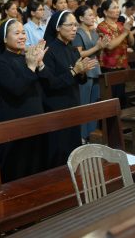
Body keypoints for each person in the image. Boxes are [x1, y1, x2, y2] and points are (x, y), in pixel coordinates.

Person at [0, 19, 48, 181]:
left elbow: (47, 83)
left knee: (36, 167)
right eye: (16, 33)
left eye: (23, 32)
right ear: (4, 39)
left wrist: (40, 63)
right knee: (17, 168)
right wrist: (31, 67)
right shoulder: (0, 62)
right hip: (14, 121)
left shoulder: (27, 57)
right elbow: (16, 89)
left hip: (36, 119)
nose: (22, 36)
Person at [41, 10, 97, 168]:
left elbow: (79, 79)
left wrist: (82, 72)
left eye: (76, 25)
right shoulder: (48, 50)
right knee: (58, 151)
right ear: (58, 27)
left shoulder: (72, 49)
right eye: (70, 25)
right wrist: (74, 71)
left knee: (72, 149)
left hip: (72, 103)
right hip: (55, 107)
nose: (74, 29)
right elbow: (51, 83)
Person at [73, 5, 107, 141]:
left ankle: (92, 135)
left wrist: (101, 47)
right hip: (85, 71)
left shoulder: (93, 32)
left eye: (93, 15)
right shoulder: (78, 33)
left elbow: (96, 51)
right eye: (90, 15)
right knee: (84, 105)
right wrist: (97, 47)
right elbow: (79, 53)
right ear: (81, 18)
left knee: (94, 105)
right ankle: (82, 137)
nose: (93, 17)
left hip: (96, 69)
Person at [96, 0, 135, 106]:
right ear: (105, 12)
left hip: (122, 65)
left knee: (121, 99)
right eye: (114, 8)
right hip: (109, 67)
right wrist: (125, 32)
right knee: (111, 100)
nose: (117, 10)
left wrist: (129, 30)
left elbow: (131, 42)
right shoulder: (101, 27)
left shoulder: (120, 24)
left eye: (118, 7)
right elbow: (110, 46)